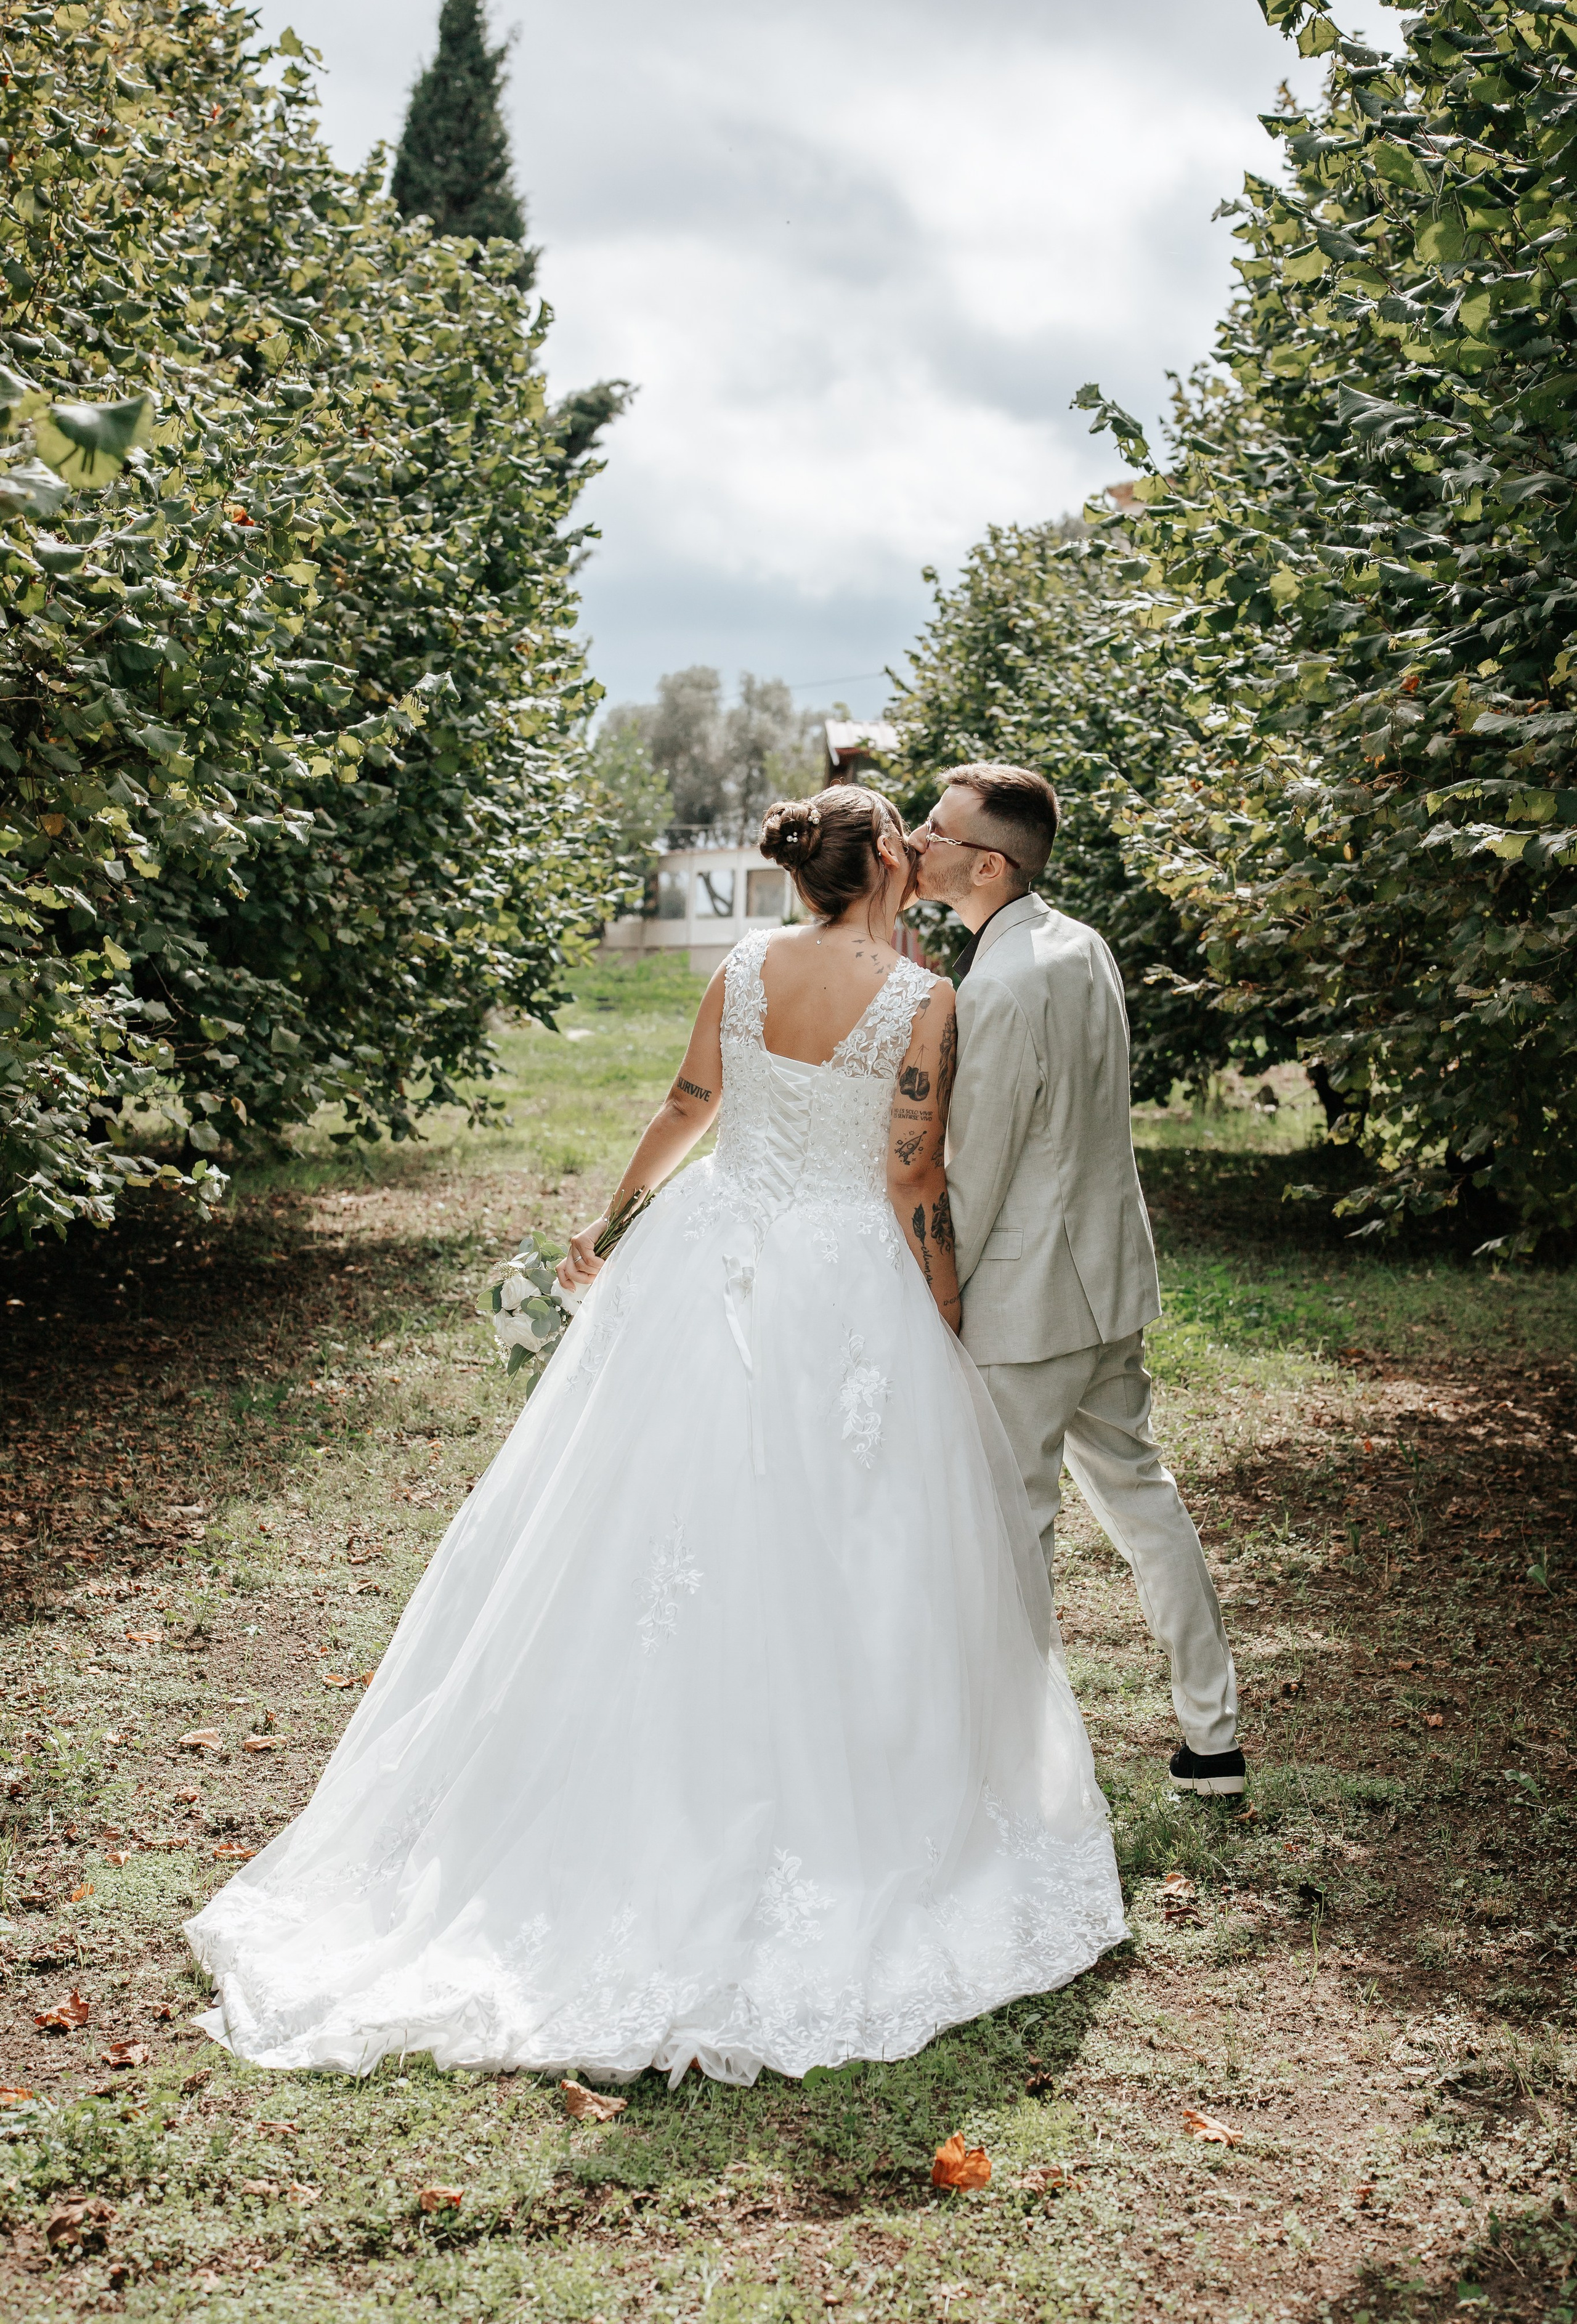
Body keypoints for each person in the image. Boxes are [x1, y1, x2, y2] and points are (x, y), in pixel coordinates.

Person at [185, 783, 1125, 2086]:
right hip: (843, 1275)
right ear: (887, 869)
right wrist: (946, 1315)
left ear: (805, 875)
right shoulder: (923, 1000)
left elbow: (689, 1106)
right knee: (844, 1542)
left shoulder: (743, 967)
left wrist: (612, 1229)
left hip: (709, 1254)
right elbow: (911, 1177)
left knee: (644, 1527)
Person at [910, 763, 1245, 1798]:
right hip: (1109, 1275)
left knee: (1016, 1531)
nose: (916, 838)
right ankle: (1214, 1740)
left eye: (936, 826)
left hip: (1027, 1304)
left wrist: (928, 1289)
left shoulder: (998, 985)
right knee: (1146, 1499)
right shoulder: (1081, 942)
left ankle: (1017, 1767)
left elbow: (978, 1168)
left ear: (987, 862)